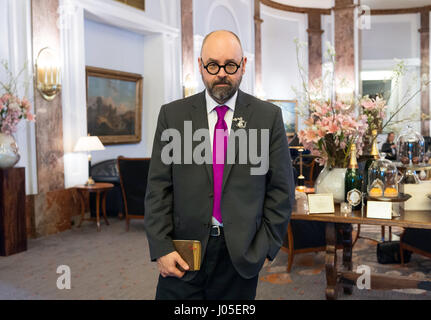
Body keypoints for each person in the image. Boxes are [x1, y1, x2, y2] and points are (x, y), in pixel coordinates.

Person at [144, 30, 295, 300]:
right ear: (200, 65)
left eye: (230, 65)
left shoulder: (268, 117)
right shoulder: (173, 115)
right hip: (182, 251)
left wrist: (265, 247)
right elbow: (158, 188)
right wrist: (161, 247)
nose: (221, 73)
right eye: (213, 65)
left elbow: (281, 190)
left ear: (244, 65)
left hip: (240, 254)